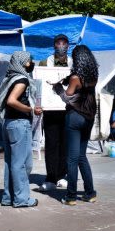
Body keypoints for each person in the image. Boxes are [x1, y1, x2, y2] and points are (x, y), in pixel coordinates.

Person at [54, 44, 99, 205]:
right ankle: (90, 192)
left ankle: (71, 196)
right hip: (89, 117)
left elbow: (68, 97)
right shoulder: (93, 75)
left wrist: (58, 88)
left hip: (74, 117)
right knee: (82, 156)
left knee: (72, 159)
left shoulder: (75, 78)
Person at [0, 51, 42, 208]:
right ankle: (21, 199)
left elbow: (1, 100)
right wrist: (29, 109)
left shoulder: (9, 79)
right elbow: (11, 101)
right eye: (29, 61)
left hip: (8, 123)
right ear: (23, 63)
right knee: (22, 163)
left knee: (10, 162)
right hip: (19, 124)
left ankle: (8, 197)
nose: (31, 63)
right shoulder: (21, 79)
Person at [42, 34, 70, 190]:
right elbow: (39, 83)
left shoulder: (72, 62)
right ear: (54, 45)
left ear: (68, 46)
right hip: (50, 109)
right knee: (51, 143)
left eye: (64, 43)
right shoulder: (45, 62)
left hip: (66, 109)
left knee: (65, 144)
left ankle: (62, 175)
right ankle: (51, 176)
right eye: (58, 43)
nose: (61, 46)